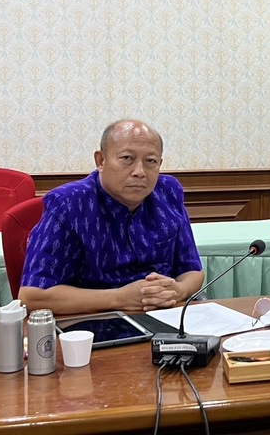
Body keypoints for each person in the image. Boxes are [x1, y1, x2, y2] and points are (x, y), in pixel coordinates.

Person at [19, 119, 205, 314]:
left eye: (150, 161)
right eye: (127, 158)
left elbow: (192, 270)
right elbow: (32, 296)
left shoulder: (168, 192)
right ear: (101, 161)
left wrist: (178, 290)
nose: (140, 172)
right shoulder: (69, 203)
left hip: (165, 314)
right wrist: (119, 298)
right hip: (95, 319)